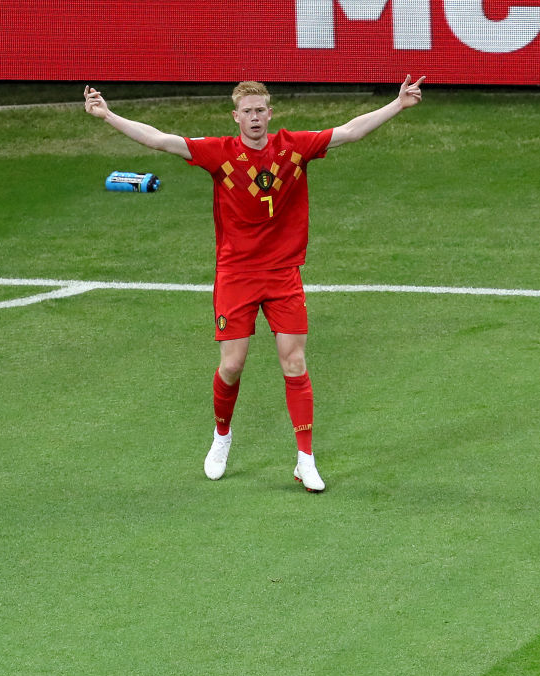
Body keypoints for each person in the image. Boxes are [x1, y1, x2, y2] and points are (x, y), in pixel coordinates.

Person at [84, 76, 426, 492]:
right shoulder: (219, 153)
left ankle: (305, 460)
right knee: (231, 365)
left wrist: (397, 104)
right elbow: (160, 139)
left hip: (283, 273)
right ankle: (222, 437)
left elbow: (351, 131)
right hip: (236, 275)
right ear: (236, 116)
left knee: (294, 363)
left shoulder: (294, 148)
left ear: (270, 113)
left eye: (261, 110)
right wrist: (107, 115)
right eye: (247, 111)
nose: (255, 117)